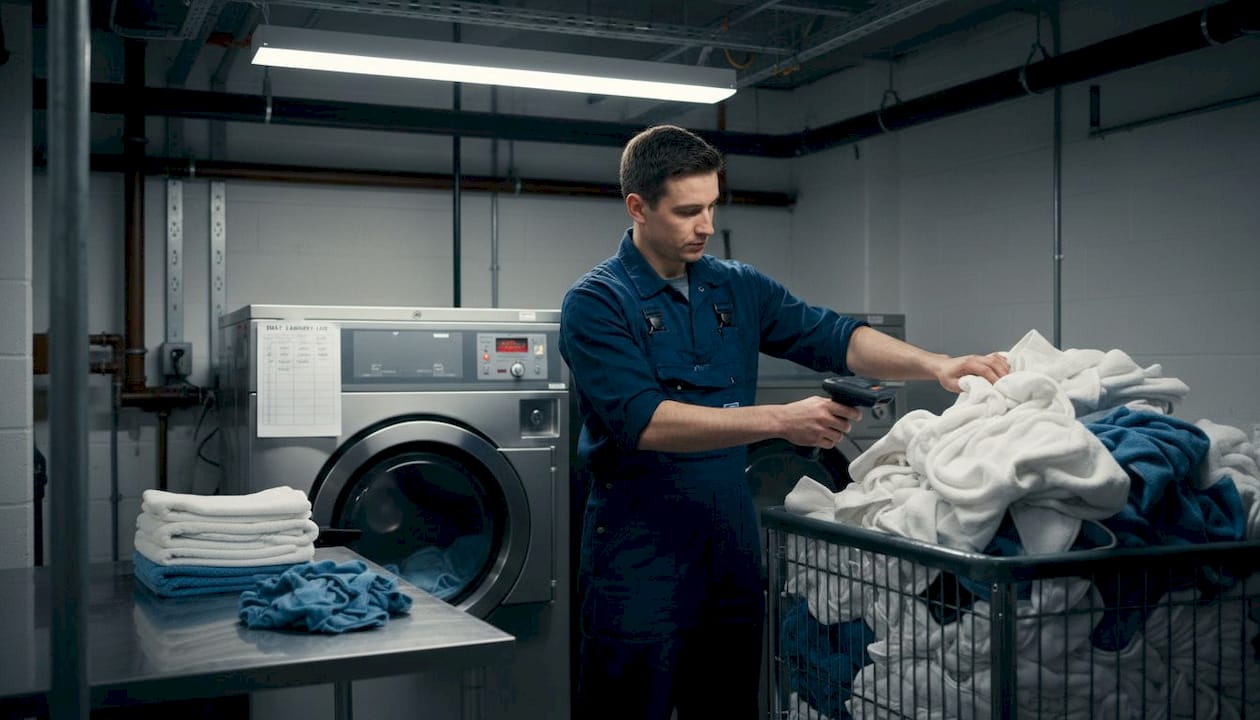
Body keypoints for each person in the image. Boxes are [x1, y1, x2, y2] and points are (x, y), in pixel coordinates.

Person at [558, 124, 1009, 719]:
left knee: (728, 704)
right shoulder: (598, 301)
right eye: (688, 211)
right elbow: (644, 421)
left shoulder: (736, 286)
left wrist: (938, 364)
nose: (706, 226)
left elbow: (835, 336)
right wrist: (781, 420)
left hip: (730, 542)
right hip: (638, 552)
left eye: (712, 206)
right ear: (638, 208)